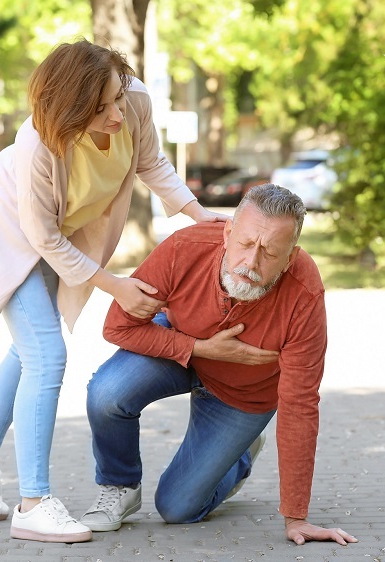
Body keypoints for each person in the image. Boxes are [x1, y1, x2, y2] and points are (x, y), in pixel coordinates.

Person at [0, 38, 227, 544]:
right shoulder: (37, 146)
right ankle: (33, 504)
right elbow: (42, 236)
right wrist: (115, 285)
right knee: (46, 356)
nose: (118, 113)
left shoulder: (132, 99)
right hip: (5, 230)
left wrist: (200, 215)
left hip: (54, 234)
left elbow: (151, 162)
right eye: (102, 108)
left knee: (29, 350)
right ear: (70, 110)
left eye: (118, 97)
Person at [81, 183, 358, 546]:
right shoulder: (185, 248)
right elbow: (117, 326)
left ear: (290, 257)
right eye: (245, 244)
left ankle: (239, 456)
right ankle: (120, 486)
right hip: (180, 351)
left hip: (243, 394)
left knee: (176, 508)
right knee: (107, 392)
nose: (251, 263)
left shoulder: (304, 294)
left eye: (270, 253)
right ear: (228, 231)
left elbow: (300, 405)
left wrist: (296, 517)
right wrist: (200, 348)